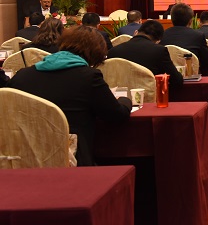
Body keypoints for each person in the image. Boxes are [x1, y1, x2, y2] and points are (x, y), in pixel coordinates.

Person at [8, 25, 132, 166]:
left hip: (24, 160)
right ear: (96, 54)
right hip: (72, 159)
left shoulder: (22, 76)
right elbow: (116, 115)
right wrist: (125, 100)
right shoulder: (89, 77)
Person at [108, 20, 183, 92]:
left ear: (136, 32)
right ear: (158, 41)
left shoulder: (113, 51)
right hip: (150, 97)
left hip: (119, 97)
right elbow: (176, 80)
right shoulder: (159, 51)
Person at [159, 3, 208, 74]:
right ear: (191, 21)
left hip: (168, 77)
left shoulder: (162, 35)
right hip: (192, 77)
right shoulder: (198, 36)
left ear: (171, 19)